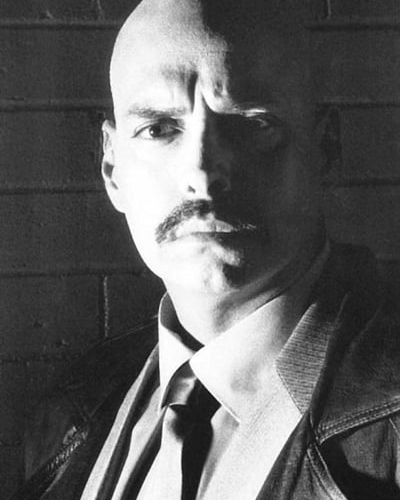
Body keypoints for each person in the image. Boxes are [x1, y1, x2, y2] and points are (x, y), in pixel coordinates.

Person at [12, 0, 400, 499]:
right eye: (158, 129)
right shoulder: (70, 408)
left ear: (324, 149)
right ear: (112, 169)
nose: (201, 173)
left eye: (253, 124)